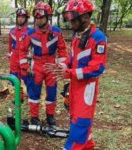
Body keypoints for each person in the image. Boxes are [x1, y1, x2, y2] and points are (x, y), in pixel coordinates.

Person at [44, 0, 107, 149]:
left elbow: (97, 68)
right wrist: (62, 66)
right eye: (69, 18)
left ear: (85, 17)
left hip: (87, 90)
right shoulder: (77, 36)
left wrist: (69, 73)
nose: (70, 22)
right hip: (74, 87)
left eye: (73, 18)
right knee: (77, 121)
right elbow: (72, 59)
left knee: (80, 124)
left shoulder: (98, 38)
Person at [19, 1, 68, 126]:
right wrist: (25, 67)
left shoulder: (56, 32)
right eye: (36, 17)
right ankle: (34, 117)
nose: (38, 20)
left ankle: (50, 116)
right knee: (34, 92)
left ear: (48, 17)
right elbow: (22, 50)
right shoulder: (30, 33)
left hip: (52, 65)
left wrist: (62, 66)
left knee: (52, 92)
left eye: (41, 17)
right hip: (37, 65)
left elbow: (62, 50)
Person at [8, 7, 34, 102]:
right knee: (15, 80)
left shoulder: (30, 31)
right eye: (18, 16)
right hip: (14, 59)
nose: (20, 18)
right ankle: (19, 97)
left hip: (25, 59)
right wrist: (10, 55)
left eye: (22, 17)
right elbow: (10, 45)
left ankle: (32, 98)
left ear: (26, 18)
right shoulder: (12, 31)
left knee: (29, 80)